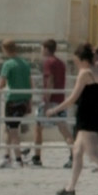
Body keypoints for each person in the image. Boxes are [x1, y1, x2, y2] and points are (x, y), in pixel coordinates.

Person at [44, 45, 98, 195]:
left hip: (86, 116)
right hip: (96, 115)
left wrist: (54, 110)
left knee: (93, 154)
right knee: (77, 152)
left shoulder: (84, 73)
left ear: (83, 59)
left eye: (76, 60)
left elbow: (72, 98)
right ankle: (70, 188)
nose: (75, 62)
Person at [0, 40, 34, 168]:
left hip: (13, 100)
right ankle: (7, 156)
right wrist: (30, 102)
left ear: (5, 49)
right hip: (24, 99)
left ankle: (18, 159)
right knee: (9, 129)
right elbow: (30, 84)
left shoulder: (8, 64)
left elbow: (1, 84)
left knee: (13, 131)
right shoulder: (25, 64)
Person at [32, 39, 73, 168]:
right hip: (60, 99)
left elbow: (50, 81)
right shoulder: (60, 63)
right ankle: (73, 155)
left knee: (38, 127)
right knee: (64, 129)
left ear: (46, 49)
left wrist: (46, 101)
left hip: (51, 100)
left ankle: (37, 157)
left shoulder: (49, 62)